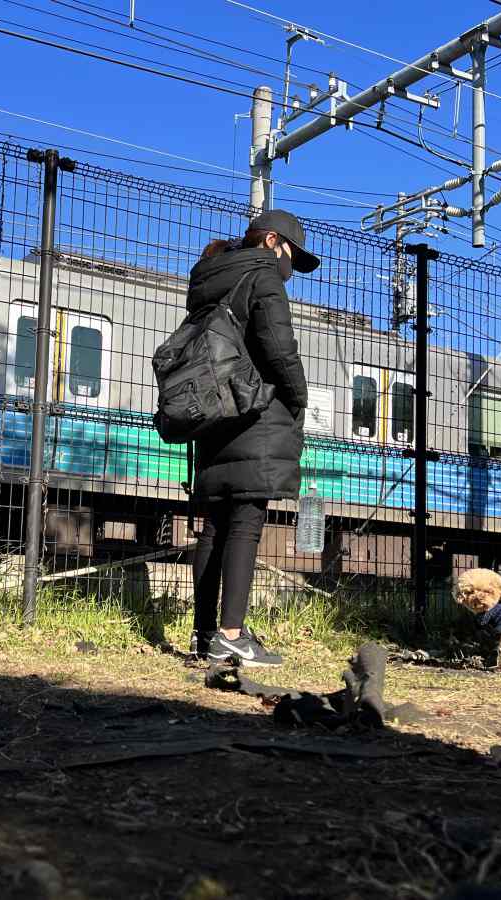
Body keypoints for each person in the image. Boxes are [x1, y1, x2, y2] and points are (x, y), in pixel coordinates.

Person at [187, 209, 318, 667]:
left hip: (214, 414)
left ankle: (204, 635)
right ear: (271, 242)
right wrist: (299, 397)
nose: (289, 266)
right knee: (245, 523)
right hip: (256, 412)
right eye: (289, 254)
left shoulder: (209, 277)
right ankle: (231, 635)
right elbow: (278, 348)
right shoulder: (264, 277)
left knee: (215, 527)